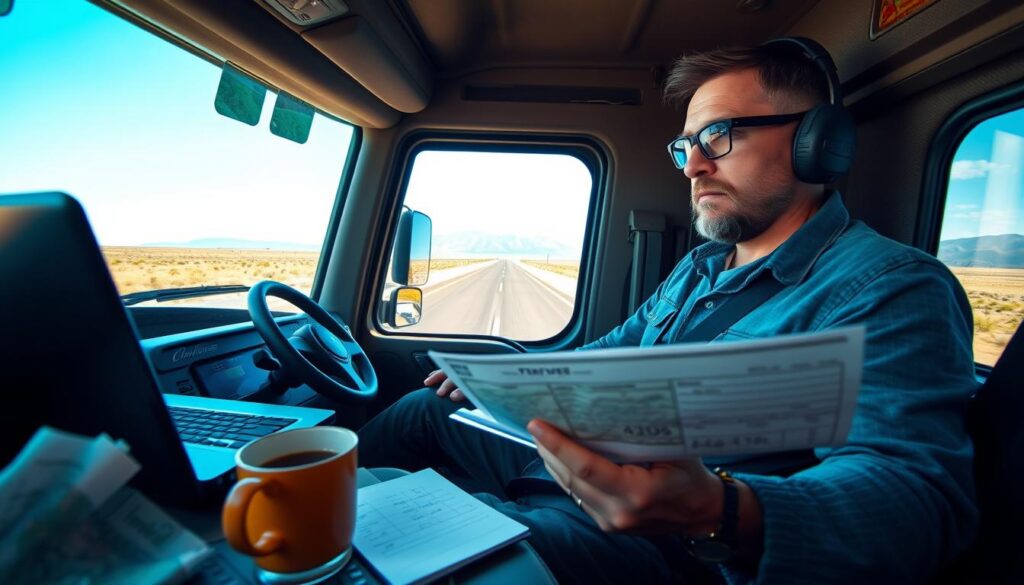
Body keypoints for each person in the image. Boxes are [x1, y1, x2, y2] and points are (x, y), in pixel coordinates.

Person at [358, 39, 978, 584]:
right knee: (424, 408)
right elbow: (611, 353)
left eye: (718, 136)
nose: (696, 165)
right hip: (581, 466)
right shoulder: (702, 268)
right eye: (686, 147)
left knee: (392, 551)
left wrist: (717, 509)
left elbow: (917, 501)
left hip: (666, 545)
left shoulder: (890, 287)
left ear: (817, 143)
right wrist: (508, 379)